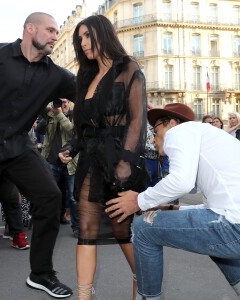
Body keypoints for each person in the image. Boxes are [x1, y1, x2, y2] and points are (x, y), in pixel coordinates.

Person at [105, 103, 240, 300]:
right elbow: (214, 209)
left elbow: (181, 182)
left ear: (171, 123)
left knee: (143, 227)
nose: (153, 136)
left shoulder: (179, 132)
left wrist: (139, 200)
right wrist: (171, 207)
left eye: (156, 129)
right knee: (209, 237)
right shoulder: (208, 138)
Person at [0, 12, 76, 298]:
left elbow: (90, 94)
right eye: (50, 30)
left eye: (58, 32)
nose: (56, 37)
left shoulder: (56, 75)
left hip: (18, 148)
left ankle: (41, 274)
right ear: (29, 29)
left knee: (51, 197)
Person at [58, 15, 149, 300]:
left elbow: (137, 120)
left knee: (123, 231)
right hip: (91, 161)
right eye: (80, 38)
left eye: (87, 36)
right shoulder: (85, 77)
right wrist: (71, 148)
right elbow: (85, 127)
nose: (83, 43)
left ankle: (144, 281)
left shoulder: (128, 67)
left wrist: (126, 163)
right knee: (85, 227)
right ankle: (84, 296)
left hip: (121, 160)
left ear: (102, 34)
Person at [40, 98, 79, 236]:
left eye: (65, 101)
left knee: (73, 197)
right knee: (51, 194)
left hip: (70, 163)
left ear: (69, 103)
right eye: (60, 101)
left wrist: (59, 114)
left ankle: (77, 227)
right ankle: (50, 224)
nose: (62, 104)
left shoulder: (75, 115)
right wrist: (51, 103)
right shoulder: (51, 114)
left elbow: (72, 131)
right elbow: (39, 106)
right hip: (51, 161)